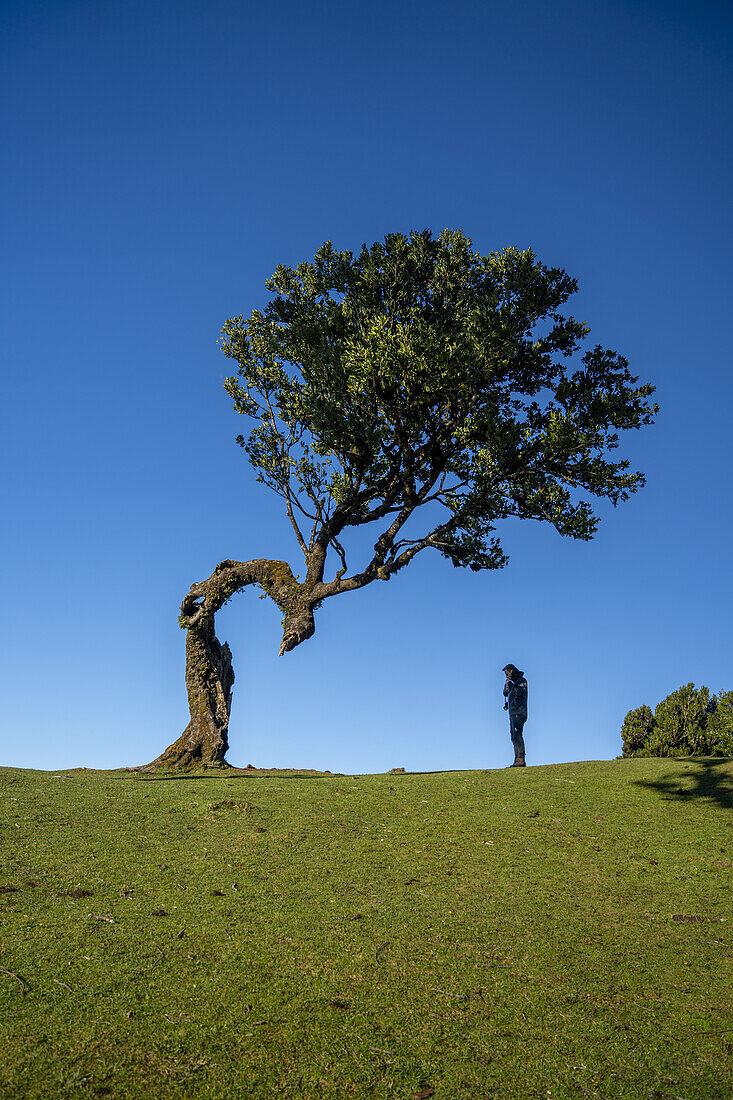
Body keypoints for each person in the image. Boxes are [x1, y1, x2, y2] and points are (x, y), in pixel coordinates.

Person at [503, 664, 528, 767]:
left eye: (507, 673)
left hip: (519, 711)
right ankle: (517, 759)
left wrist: (511, 685)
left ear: (511, 671)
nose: (506, 676)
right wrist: (507, 687)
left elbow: (520, 693)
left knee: (517, 735)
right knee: (513, 737)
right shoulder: (513, 683)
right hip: (513, 712)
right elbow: (507, 693)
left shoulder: (522, 681)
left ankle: (521, 759)